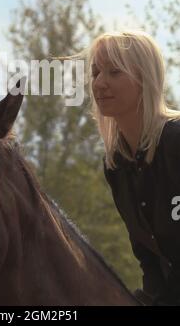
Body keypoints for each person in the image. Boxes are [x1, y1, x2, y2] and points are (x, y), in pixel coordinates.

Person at [86, 30, 180, 306]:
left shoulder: (176, 142)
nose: (99, 83)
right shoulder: (115, 165)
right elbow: (147, 256)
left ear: (144, 79)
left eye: (114, 72)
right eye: (95, 72)